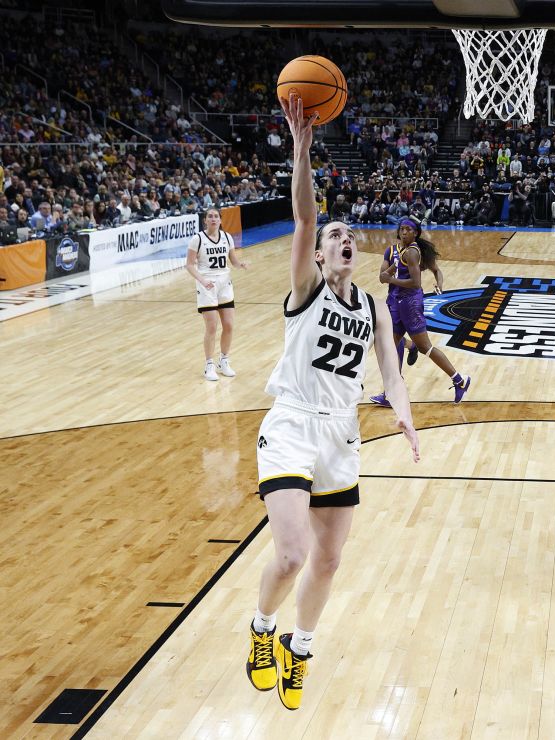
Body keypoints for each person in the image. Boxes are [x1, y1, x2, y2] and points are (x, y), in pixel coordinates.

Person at [247, 93, 420, 711]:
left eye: (351, 235)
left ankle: (302, 647)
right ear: (319, 255)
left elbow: (392, 372)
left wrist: (403, 413)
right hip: (292, 424)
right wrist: (301, 149)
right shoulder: (306, 289)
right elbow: (302, 217)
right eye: (335, 235)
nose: (346, 239)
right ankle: (262, 631)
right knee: (291, 554)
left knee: (327, 562)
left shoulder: (372, 308)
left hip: (341, 435)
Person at [368, 217, 471, 407]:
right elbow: (387, 273)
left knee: (425, 347)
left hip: (410, 303)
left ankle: (460, 379)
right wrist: (386, 276)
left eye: (408, 229)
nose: (404, 232)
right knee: (390, 346)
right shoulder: (399, 252)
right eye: (402, 229)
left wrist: (390, 279)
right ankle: (392, 393)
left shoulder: (413, 253)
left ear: (415, 233)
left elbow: (415, 283)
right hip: (397, 302)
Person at [185, 207, 248, 380]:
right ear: (205, 220)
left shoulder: (227, 237)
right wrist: (202, 280)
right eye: (210, 216)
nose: (213, 219)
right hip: (207, 284)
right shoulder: (197, 239)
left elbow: (233, 260)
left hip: (225, 283)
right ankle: (209, 365)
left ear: (220, 220)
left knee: (228, 325)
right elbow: (189, 264)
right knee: (211, 326)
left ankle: (224, 360)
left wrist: (240, 264)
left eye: (216, 216)